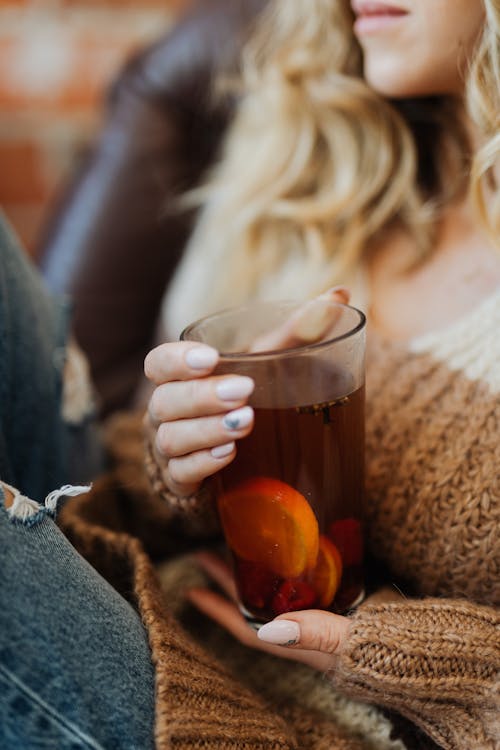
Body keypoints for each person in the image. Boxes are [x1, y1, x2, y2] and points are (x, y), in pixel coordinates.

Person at [1, 1, 498, 750]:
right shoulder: (303, 170)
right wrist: (182, 464)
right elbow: (136, 479)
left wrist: (408, 654)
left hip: (286, 726)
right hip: (156, 595)